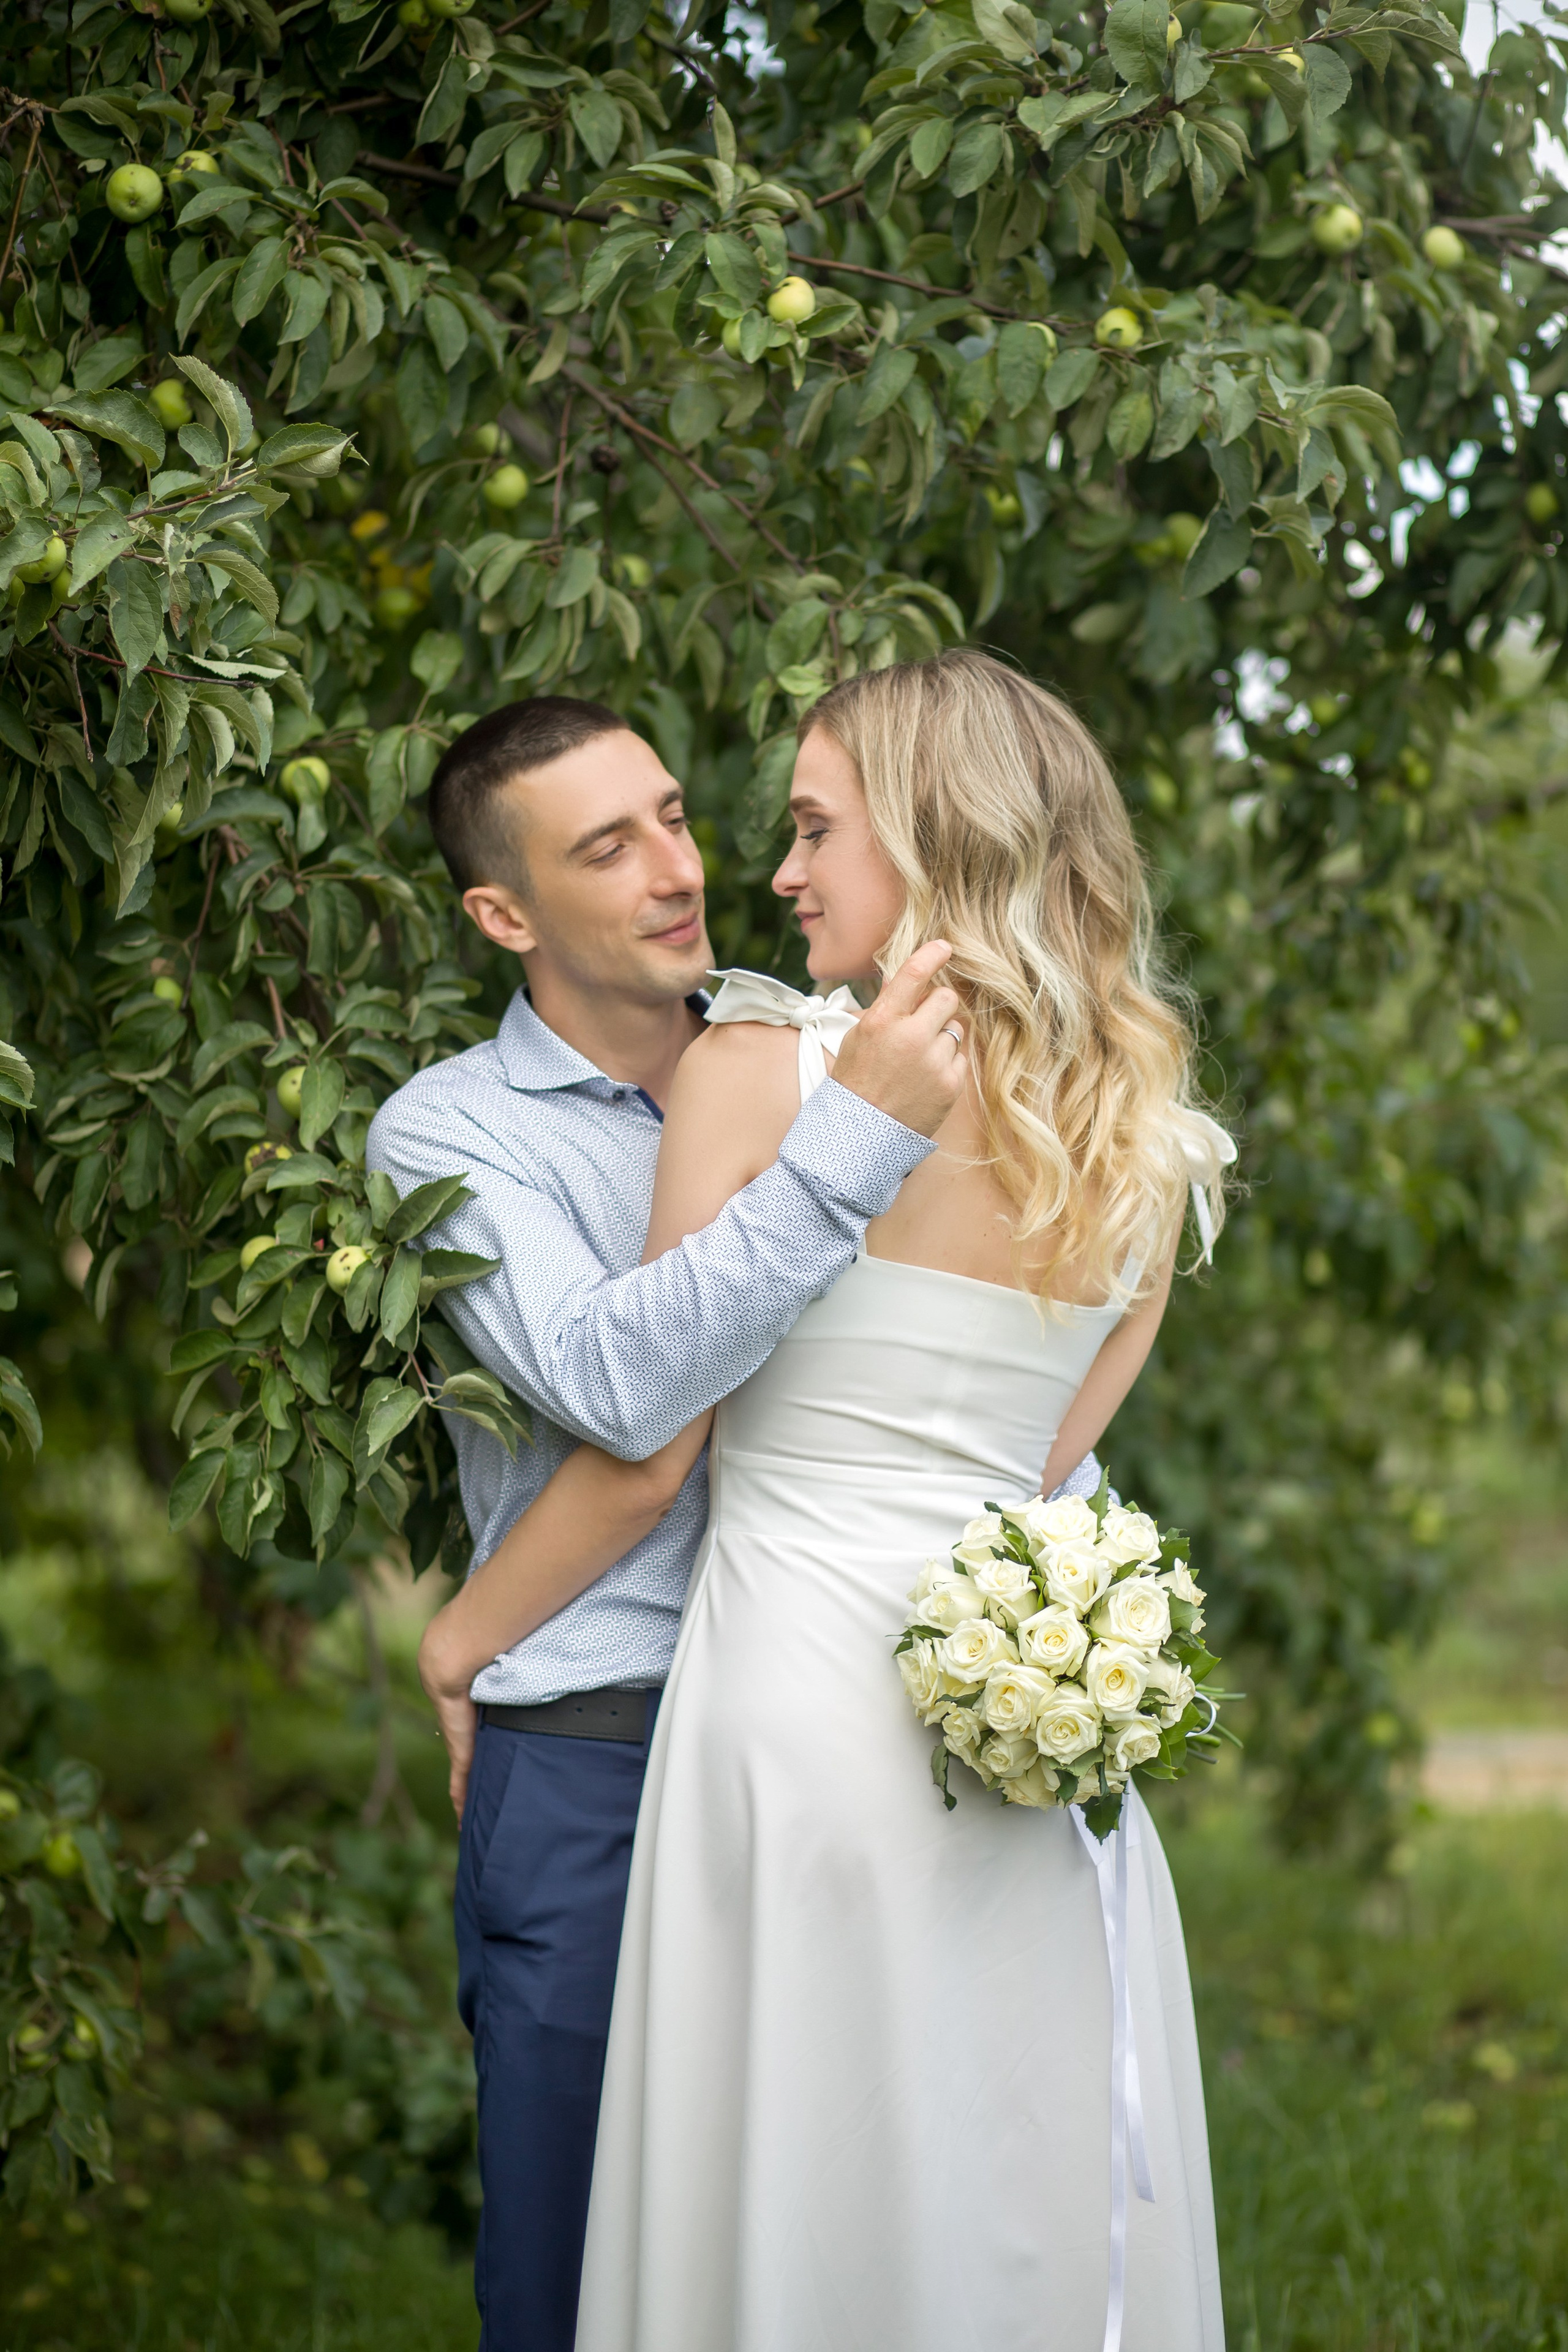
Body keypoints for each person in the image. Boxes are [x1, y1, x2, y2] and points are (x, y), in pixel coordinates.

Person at [366, 693, 1103, 2352]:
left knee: (842, 2256)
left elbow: (984, 1403)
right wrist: (849, 1147)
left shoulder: (833, 1044)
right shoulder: (451, 1136)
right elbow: (620, 1399)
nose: (676, 872)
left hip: (853, 1747)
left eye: (679, 819)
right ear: (503, 913)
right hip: (607, 1761)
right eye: (604, 847)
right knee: (577, 2275)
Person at [550, 649, 1231, 2350]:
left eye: (812, 829)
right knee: (1005, 2153)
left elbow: (658, 1435)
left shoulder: (760, 1073)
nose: (777, 876)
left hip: (792, 1715)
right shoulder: (1147, 1140)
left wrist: (467, 1642)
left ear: (936, 841)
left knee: (802, 2157)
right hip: (1023, 1728)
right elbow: (1051, 1469)